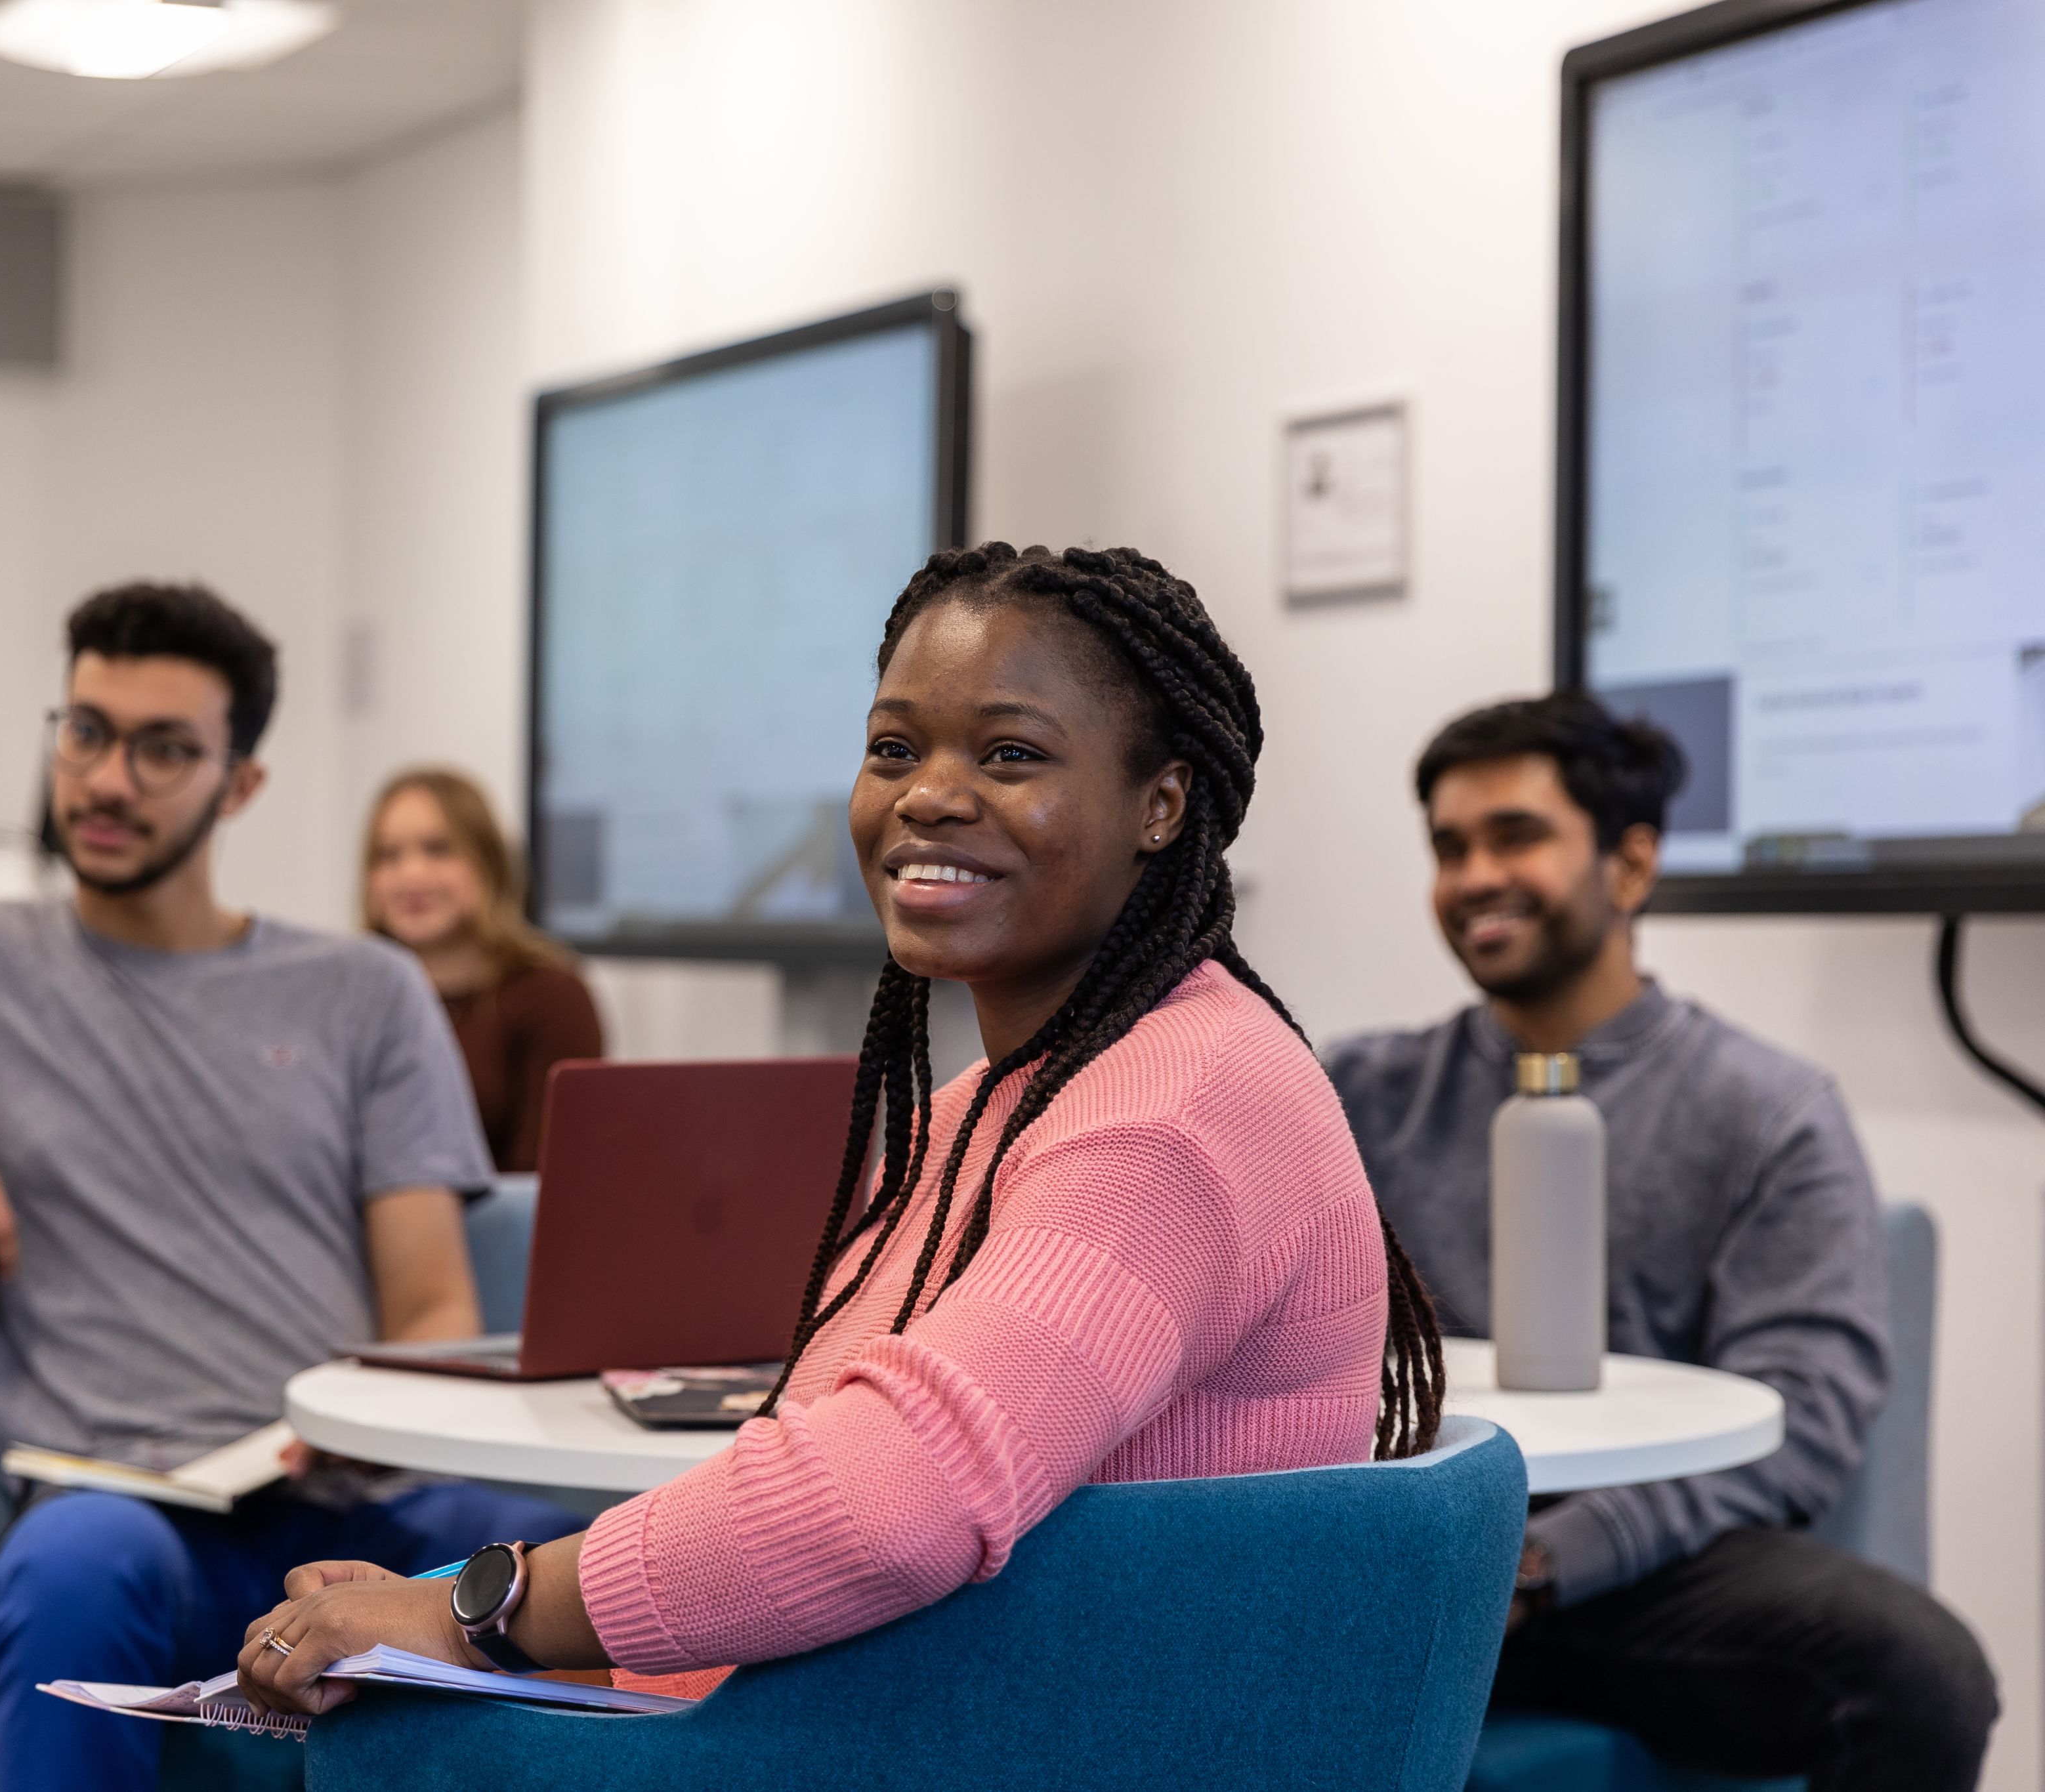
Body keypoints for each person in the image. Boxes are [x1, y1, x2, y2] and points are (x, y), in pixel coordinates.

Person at [224, 542, 1446, 1717]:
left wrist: (471, 1614)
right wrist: (436, 1606)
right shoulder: (995, 1109)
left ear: (1161, 804)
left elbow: (892, 1501)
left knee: (386, 1731)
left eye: (1011, 754)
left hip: (1004, 1751)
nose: (927, 794)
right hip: (919, 1722)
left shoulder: (1173, 1116)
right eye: (893, 747)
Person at [0, 581, 581, 1792]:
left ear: (241, 783)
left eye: (165, 750)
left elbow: (429, 1309)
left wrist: (345, 1437)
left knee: (568, 1556)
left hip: (345, 1505)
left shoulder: (363, 991)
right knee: (68, 1564)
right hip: (126, 1513)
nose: (109, 779)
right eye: (89, 732)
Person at [1320, 692, 1997, 1790]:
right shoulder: (1358, 1091)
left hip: (1637, 1571)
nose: (1474, 875)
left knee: (1919, 1672)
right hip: (1417, 1550)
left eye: (1517, 835)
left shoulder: (1767, 1110)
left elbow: (1804, 1414)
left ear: (1629, 866)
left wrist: (1543, 1565)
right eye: (1449, 847)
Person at [360, 767, 602, 1171]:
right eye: (389, 855)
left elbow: (546, 1183)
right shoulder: (354, 994)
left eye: (438, 849)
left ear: (489, 862)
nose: (412, 875)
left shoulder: (551, 994)